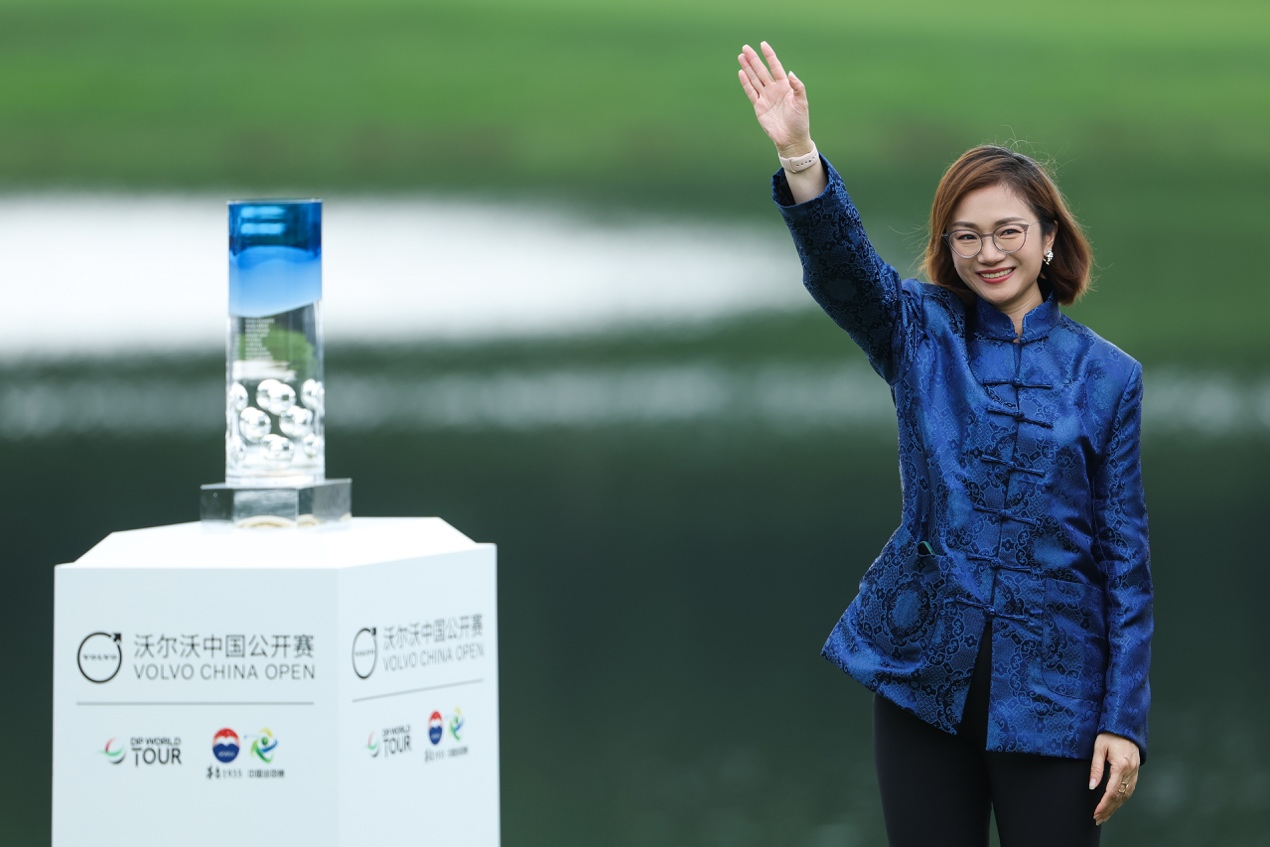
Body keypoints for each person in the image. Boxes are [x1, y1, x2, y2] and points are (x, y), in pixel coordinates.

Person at [737, 41, 1152, 847]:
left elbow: (1124, 561)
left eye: (1007, 231)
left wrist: (1123, 720)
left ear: (1049, 238)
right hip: (922, 676)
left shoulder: (1109, 377)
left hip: (1058, 694)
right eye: (966, 237)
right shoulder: (919, 332)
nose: (988, 252)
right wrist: (798, 153)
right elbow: (845, 269)